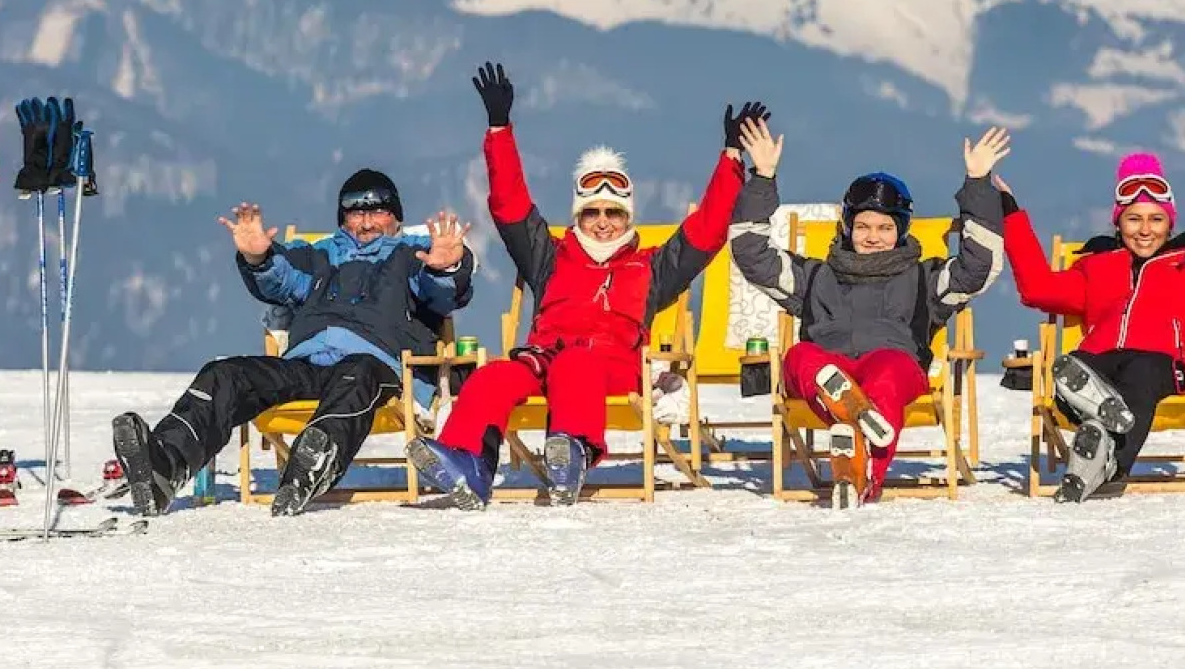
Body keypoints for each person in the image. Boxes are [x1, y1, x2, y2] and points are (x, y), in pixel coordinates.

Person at [406, 61, 756, 508]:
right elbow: (510, 205)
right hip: (541, 359)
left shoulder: (649, 267)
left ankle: (572, 451)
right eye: (593, 213)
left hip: (609, 365)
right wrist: (499, 129)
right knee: (493, 376)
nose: (603, 223)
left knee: (577, 364)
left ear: (628, 217)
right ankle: (468, 462)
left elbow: (706, 231)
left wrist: (730, 159)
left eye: (614, 213)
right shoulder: (550, 255)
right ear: (578, 216)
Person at [111, 169, 477, 517]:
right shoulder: (318, 254)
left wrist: (444, 268)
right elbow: (281, 280)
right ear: (342, 218)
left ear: (396, 217)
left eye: (378, 211)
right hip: (307, 363)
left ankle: (315, 459)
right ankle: (164, 465)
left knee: (359, 372)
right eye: (355, 213)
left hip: (377, 364)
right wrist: (258, 258)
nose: (366, 222)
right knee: (225, 374)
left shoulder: (413, 254)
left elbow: (441, 296)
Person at [729, 115, 1009, 507]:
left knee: (889, 372)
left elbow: (977, 268)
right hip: (828, 367)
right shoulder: (816, 277)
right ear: (847, 227)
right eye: (862, 226)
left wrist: (978, 184)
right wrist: (762, 177)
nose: (872, 236)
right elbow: (751, 255)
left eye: (884, 228)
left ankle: (857, 447)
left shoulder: (924, 280)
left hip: (891, 365)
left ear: (901, 231)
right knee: (801, 356)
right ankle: (855, 430)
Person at [999, 150, 1185, 502]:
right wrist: (1009, 213)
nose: (1145, 231)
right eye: (1133, 219)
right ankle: (1101, 447)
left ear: (1170, 223)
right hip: (1100, 361)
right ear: (1118, 222)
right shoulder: (1096, 266)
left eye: (1156, 219)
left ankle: (1105, 448)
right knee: (1076, 367)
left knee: (1140, 372)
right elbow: (1037, 289)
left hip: (1160, 364)